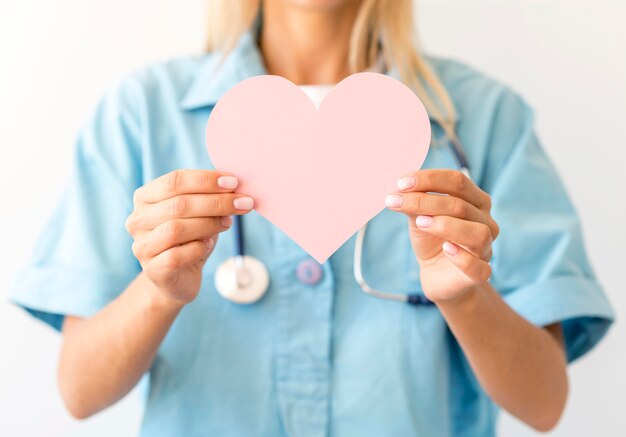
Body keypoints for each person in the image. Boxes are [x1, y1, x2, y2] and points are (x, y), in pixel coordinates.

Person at [8, 1, 614, 436]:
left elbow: (545, 403)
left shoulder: (484, 120)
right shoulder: (141, 114)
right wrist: (159, 291)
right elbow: (80, 391)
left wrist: (465, 298)